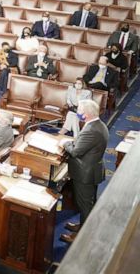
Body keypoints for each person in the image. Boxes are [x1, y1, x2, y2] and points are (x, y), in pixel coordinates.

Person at [60, 100, 108, 243]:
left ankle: (81, 237)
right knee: (87, 204)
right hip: (91, 169)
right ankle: (82, 226)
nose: (77, 112)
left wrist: (65, 143)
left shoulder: (91, 130)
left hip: (85, 173)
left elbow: (75, 151)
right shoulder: (97, 124)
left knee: (85, 205)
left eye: (79, 110)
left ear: (86, 115)